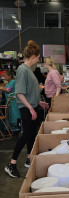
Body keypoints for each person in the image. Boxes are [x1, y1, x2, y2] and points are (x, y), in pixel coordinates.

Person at [5, 40, 49, 178]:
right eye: (38, 57)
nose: (38, 60)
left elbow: (30, 92)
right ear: (34, 56)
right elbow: (19, 92)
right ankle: (11, 164)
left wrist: (38, 103)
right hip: (25, 108)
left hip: (32, 106)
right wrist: (30, 107)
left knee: (31, 134)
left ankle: (29, 159)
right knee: (25, 135)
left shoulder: (29, 70)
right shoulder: (23, 70)